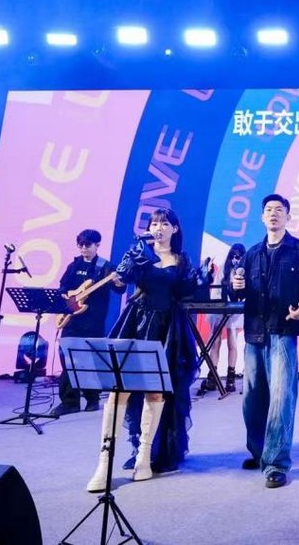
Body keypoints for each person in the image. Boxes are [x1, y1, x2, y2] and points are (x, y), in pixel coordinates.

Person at [85, 208, 196, 492]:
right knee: (119, 390)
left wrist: (200, 279)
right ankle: (104, 462)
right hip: (137, 322)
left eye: (164, 223)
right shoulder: (140, 252)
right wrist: (132, 255)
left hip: (167, 329)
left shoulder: (182, 259)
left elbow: (186, 292)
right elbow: (121, 281)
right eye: (154, 223)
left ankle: (144, 457)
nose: (158, 228)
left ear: (174, 229)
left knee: (155, 391)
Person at [233, 194, 299, 489]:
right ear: (262, 217)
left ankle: (275, 463)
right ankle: (259, 451)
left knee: (281, 398)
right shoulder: (251, 254)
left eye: (279, 210)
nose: (273, 214)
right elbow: (236, 292)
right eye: (269, 210)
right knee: (252, 398)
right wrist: (235, 286)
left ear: (287, 216)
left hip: (283, 332)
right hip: (254, 333)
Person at [53, 229, 124, 417]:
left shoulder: (106, 267)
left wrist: (118, 282)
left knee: (91, 359)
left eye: (88, 245)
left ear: (97, 245)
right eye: (81, 245)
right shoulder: (73, 265)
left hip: (93, 320)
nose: (84, 248)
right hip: (72, 319)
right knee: (67, 358)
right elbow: (63, 287)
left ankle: (92, 398)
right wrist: (67, 296)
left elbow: (119, 289)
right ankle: (69, 402)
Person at [197, 243, 246, 397]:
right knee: (215, 342)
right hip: (220, 309)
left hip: (235, 310)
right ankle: (212, 376)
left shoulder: (244, 270)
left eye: (239, 256)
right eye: (234, 255)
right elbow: (216, 289)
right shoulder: (224, 269)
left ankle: (231, 377)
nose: (236, 259)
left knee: (232, 342)